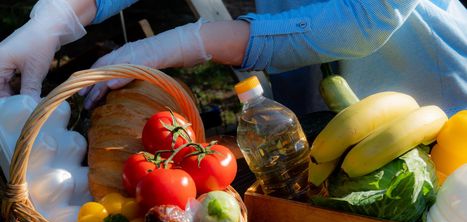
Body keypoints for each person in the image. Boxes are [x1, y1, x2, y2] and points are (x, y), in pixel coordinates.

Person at [0, 0, 465, 117]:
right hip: (309, 85)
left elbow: (367, 17)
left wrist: (193, 41)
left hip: (422, 81)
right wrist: (58, 16)